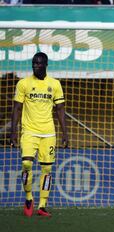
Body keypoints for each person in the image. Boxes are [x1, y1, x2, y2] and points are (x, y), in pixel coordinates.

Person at [10, 52, 68, 217]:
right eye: (34, 63)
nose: (36, 66)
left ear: (46, 64)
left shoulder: (55, 84)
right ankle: (29, 197)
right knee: (27, 165)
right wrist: (13, 131)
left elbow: (60, 109)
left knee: (47, 169)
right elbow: (17, 108)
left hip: (48, 134)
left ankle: (42, 205)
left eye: (39, 63)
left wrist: (65, 133)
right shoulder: (23, 83)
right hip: (29, 132)